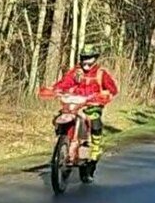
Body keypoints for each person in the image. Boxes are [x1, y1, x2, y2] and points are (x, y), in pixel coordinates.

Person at [51, 44, 119, 177]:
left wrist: (105, 95)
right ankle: (64, 144)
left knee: (94, 122)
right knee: (61, 118)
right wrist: (56, 89)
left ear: (95, 58)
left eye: (89, 58)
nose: (86, 62)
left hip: (92, 104)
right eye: (84, 58)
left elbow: (112, 89)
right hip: (75, 103)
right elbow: (65, 82)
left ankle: (94, 151)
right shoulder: (76, 72)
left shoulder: (101, 73)